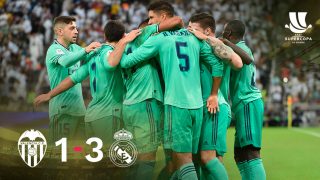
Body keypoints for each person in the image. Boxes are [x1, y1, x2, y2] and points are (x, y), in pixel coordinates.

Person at [120, 2, 223, 179]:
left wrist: (123, 44)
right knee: (186, 160)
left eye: (152, 18)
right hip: (197, 106)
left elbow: (126, 62)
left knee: (182, 160)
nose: (150, 22)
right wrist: (213, 94)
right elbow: (217, 64)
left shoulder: (158, 39)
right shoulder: (193, 37)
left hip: (176, 105)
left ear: (164, 17)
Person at [34, 20, 140, 148]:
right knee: (112, 160)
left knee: (83, 160)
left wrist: (50, 94)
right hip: (109, 113)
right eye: (72, 28)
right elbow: (110, 64)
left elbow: (72, 78)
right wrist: (124, 40)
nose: (76, 31)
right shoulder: (107, 54)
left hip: (90, 115)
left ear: (105, 36)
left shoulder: (93, 55)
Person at [107, 16, 183, 179]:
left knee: (132, 157)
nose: (156, 30)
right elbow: (176, 20)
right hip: (145, 103)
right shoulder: (145, 35)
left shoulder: (122, 47)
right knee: (148, 157)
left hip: (129, 106)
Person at [188, 12, 244, 180]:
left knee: (208, 157)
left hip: (216, 105)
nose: (190, 31)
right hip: (203, 105)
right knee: (205, 159)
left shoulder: (217, 45)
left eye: (194, 29)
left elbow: (238, 63)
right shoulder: (197, 45)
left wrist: (204, 38)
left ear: (207, 31)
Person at [44, 16, 100, 143]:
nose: (76, 31)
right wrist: (86, 49)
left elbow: (91, 56)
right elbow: (66, 61)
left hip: (80, 111)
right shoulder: (54, 50)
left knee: (78, 156)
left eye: (76, 28)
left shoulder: (75, 48)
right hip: (62, 111)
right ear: (59, 31)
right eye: (72, 28)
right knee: (61, 156)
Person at [222, 20, 266, 180]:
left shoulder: (241, 49)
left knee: (250, 151)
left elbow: (248, 60)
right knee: (240, 154)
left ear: (229, 33)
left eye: (224, 31)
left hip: (248, 102)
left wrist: (226, 43)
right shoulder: (239, 48)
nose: (222, 32)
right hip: (243, 104)